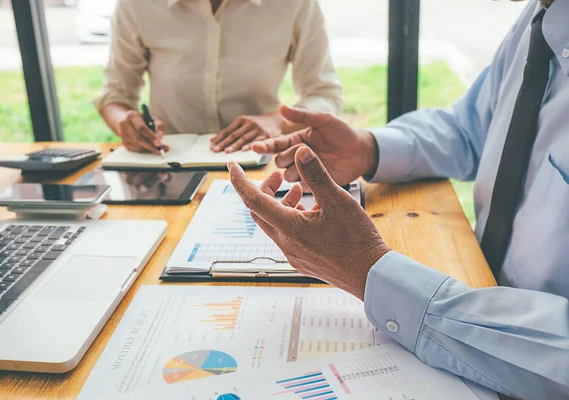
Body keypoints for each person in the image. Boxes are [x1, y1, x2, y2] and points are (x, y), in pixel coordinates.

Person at [227, 0, 569, 398]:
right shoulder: (542, 15)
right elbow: (470, 128)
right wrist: (368, 149)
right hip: (474, 291)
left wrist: (370, 271)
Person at [95, 0, 342, 155]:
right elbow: (115, 96)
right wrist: (124, 122)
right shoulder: (136, 5)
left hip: (259, 161)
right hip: (168, 165)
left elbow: (324, 96)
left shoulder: (296, 4)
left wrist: (277, 121)